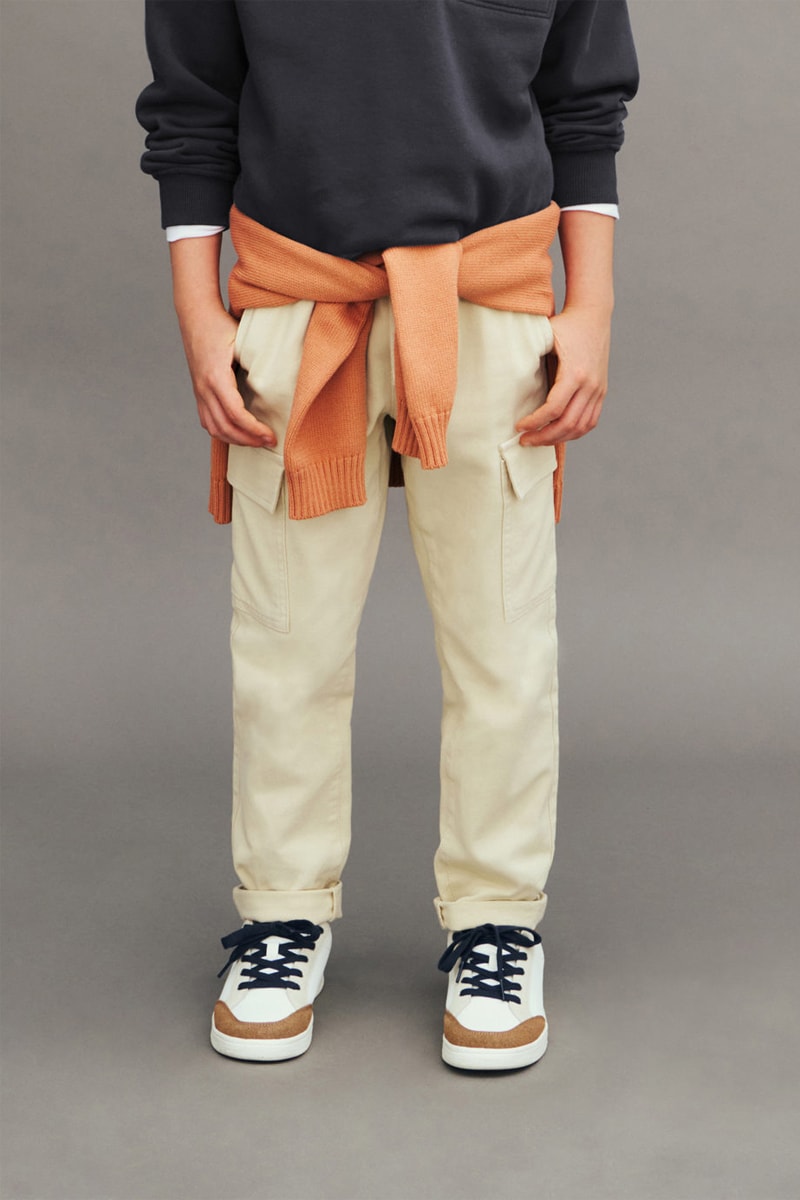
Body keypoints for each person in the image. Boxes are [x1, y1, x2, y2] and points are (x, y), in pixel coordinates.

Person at [135, 0, 638, 1071]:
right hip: (296, 297)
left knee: (502, 643)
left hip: (490, 297)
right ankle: (282, 913)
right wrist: (198, 312)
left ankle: (497, 922)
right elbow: (192, 105)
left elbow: (582, 99)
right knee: (286, 643)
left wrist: (590, 304)